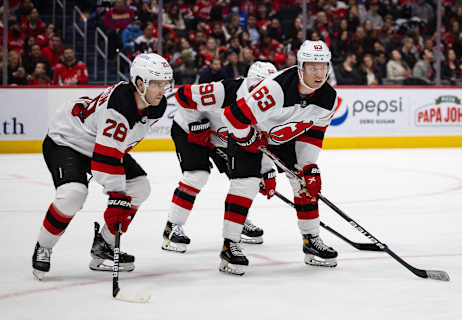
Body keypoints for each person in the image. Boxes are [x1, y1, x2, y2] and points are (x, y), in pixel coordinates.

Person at [31, 53, 173, 280]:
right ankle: (44, 245)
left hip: (98, 143)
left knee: (139, 187)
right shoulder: (119, 108)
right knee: (73, 194)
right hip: (68, 140)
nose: (162, 89)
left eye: (164, 83)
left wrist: (120, 199)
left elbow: (114, 148)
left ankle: (104, 246)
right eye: (156, 83)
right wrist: (116, 197)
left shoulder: (154, 105)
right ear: (139, 83)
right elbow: (104, 161)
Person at [219, 40, 339, 275]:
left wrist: (308, 168)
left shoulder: (328, 98)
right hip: (249, 132)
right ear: (300, 67)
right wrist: (246, 139)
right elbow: (232, 117)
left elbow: (314, 133)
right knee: (246, 184)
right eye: (313, 67)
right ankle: (229, 244)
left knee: (302, 182)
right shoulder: (276, 89)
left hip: (284, 136)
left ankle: (311, 241)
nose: (319, 73)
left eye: (323, 66)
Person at [162, 61, 278, 253]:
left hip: (222, 138)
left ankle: (237, 223)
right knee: (197, 175)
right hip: (189, 130)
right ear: (250, 83)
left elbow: (260, 141)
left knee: (243, 178)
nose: (263, 95)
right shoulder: (225, 91)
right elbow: (184, 96)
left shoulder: (270, 104)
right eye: (260, 88)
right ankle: (171, 227)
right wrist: (196, 125)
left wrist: (266, 171)